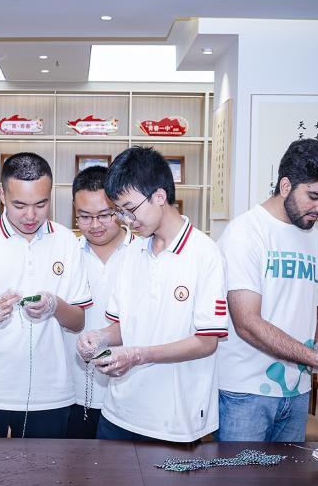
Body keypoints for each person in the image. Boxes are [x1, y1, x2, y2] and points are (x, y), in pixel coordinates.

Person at [216, 139, 318, 442]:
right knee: (240, 473)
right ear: (286, 185)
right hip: (245, 391)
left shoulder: (314, 239)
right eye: (314, 196)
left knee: (289, 474)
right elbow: (247, 323)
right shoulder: (245, 233)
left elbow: (309, 306)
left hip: (297, 389)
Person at [76, 146, 227, 443]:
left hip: (175, 420)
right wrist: (99, 337)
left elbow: (206, 341)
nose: (127, 220)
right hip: (118, 412)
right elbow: (124, 326)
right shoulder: (131, 252)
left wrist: (138, 355)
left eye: (130, 209)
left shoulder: (205, 254)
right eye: (120, 212)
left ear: (159, 196)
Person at [0, 153, 91, 438]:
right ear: (2, 195)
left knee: (45, 469)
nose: (31, 216)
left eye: (41, 204)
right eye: (19, 205)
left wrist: (54, 305)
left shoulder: (67, 241)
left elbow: (78, 322)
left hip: (49, 394)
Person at [65, 165, 135, 439]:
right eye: (84, 216)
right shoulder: (66, 254)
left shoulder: (143, 253)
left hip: (128, 391)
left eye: (105, 215)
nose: (95, 225)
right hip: (72, 392)